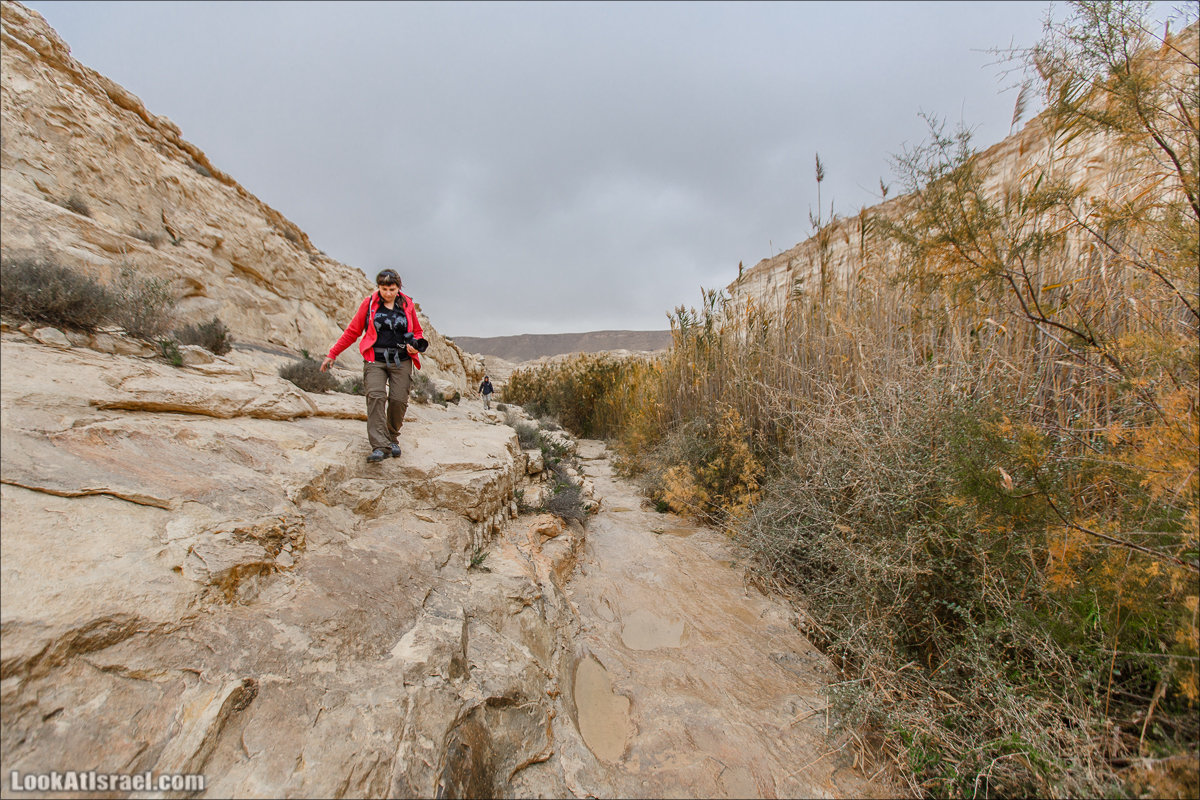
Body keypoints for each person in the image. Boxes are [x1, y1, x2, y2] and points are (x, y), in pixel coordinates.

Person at [320, 269, 428, 462]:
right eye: (384, 288)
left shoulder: (407, 305)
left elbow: (417, 331)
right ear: (378, 287)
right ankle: (380, 446)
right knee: (376, 397)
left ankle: (392, 437)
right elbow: (353, 331)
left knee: (398, 400)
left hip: (401, 360)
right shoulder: (370, 304)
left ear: (398, 288)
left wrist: (415, 347)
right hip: (374, 360)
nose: (387, 293)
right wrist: (333, 354)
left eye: (392, 289)